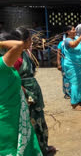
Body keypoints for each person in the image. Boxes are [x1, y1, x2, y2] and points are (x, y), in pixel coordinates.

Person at [11, 27, 56, 155]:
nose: (32, 40)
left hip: (32, 91)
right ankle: (37, 151)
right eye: (29, 38)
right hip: (26, 94)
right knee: (32, 123)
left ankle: (43, 147)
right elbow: (14, 80)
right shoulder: (15, 57)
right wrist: (27, 95)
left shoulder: (24, 52)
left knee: (40, 121)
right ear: (23, 41)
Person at [0, 33, 42, 155]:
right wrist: (1, 43)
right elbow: (18, 45)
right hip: (7, 116)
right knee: (11, 148)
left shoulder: (6, 66)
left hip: (14, 112)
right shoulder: (2, 65)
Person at [63, 26, 81, 111]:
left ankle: (79, 99)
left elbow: (80, 47)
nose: (74, 31)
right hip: (72, 65)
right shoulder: (67, 40)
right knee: (75, 82)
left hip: (80, 64)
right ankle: (74, 103)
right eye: (73, 30)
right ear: (68, 32)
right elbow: (73, 45)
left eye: (74, 29)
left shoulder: (77, 38)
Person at [57, 35, 71, 99]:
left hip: (71, 63)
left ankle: (71, 92)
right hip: (64, 63)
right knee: (66, 78)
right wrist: (58, 64)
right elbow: (58, 53)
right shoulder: (61, 43)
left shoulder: (74, 42)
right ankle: (67, 93)